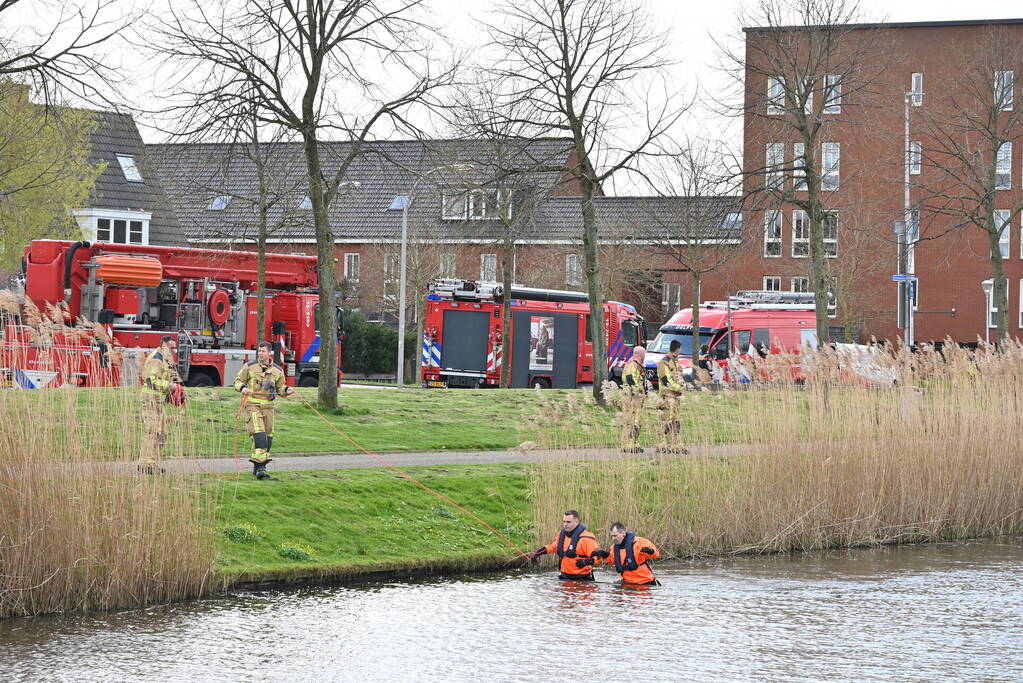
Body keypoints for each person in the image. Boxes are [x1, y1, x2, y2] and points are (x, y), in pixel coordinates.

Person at [233, 341, 294, 480]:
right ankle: (262, 468)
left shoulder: (278, 370)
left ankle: (257, 467)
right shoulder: (249, 367)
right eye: (259, 351)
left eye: (263, 351)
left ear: (269, 353)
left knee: (268, 438)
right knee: (259, 435)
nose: (260, 353)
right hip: (253, 406)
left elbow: (281, 388)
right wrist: (243, 388)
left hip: (269, 408)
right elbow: (237, 381)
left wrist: (287, 390)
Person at [139, 335, 185, 474]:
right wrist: (170, 386)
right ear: (163, 346)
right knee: (153, 431)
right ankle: (147, 464)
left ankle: (151, 462)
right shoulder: (157, 359)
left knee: (162, 434)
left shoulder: (164, 358)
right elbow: (150, 381)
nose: (174, 351)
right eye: (172, 348)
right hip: (151, 400)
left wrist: (178, 388)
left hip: (159, 401)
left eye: (174, 348)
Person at [526, 509, 601, 581]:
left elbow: (598, 557)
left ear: (577, 521)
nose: (565, 524)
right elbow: (553, 546)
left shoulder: (587, 538)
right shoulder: (561, 535)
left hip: (582, 578)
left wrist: (586, 562)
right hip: (564, 576)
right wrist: (538, 553)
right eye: (564, 522)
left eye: (568, 522)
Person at [590, 522, 661, 586]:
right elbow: (613, 560)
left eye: (615, 536)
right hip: (628, 582)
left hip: (645, 582)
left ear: (623, 533)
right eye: (612, 536)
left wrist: (650, 551)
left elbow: (656, 554)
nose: (613, 538)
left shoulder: (639, 542)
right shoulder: (614, 547)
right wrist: (604, 555)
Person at [655, 339, 687, 454]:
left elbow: (680, 377)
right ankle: (661, 444)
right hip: (667, 395)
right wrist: (679, 388)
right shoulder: (664, 362)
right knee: (666, 420)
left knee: (676, 421)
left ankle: (677, 445)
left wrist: (684, 386)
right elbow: (665, 379)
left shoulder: (677, 362)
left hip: (676, 396)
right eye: (680, 348)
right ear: (677, 349)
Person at [619, 346, 647, 453]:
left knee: (634, 420)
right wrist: (638, 392)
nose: (644, 356)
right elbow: (630, 378)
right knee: (631, 420)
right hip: (632, 398)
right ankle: (629, 444)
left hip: (636, 397)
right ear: (640, 354)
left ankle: (632, 443)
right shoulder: (632, 364)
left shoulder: (637, 365)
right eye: (644, 354)